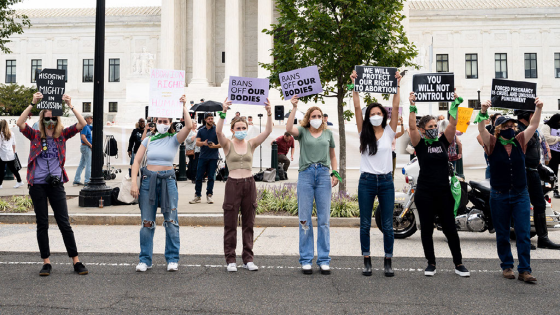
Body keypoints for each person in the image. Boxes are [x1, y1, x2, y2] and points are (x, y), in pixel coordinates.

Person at [16, 92, 89, 276]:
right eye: (47, 120)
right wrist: (33, 103)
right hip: (37, 184)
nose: (50, 123)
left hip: (56, 184)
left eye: (54, 119)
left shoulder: (62, 135)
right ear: (42, 121)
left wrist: (70, 105)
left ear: (58, 121)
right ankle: (46, 262)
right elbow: (19, 123)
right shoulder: (34, 136)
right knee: (42, 223)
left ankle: (76, 261)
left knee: (64, 222)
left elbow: (82, 124)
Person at [477, 99, 542, 283]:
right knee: (503, 233)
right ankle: (507, 266)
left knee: (523, 233)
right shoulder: (491, 143)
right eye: (506, 125)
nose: (511, 127)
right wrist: (482, 111)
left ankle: (525, 270)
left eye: (512, 125)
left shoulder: (520, 140)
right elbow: (481, 129)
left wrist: (538, 108)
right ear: (497, 128)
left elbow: (534, 124)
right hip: (499, 195)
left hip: (520, 193)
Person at [408, 91, 470, 278]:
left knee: (450, 229)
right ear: (423, 129)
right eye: (430, 126)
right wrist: (412, 106)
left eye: (436, 125)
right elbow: (411, 127)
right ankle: (431, 263)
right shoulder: (419, 143)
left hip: (443, 192)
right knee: (426, 229)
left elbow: (452, 123)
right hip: (425, 192)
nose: (434, 128)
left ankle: (458, 264)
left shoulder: (443, 141)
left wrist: (455, 104)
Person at [130, 95, 192, 272]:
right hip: (148, 180)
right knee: (146, 222)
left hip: (168, 180)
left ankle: (172, 258)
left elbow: (188, 126)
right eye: (160, 120)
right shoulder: (148, 140)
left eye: (166, 120)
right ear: (155, 122)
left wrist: (183, 106)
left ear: (170, 123)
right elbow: (136, 161)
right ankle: (145, 259)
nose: (163, 123)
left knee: (171, 221)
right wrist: (134, 183)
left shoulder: (174, 139)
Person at [351, 70, 401, 277]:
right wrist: (354, 84)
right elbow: (355, 106)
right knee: (365, 224)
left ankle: (388, 260)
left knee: (388, 225)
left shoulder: (390, 131)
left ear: (384, 116)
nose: (375, 116)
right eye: (372, 114)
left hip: (386, 182)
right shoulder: (364, 131)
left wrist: (398, 84)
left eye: (379, 113)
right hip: (367, 182)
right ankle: (367, 260)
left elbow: (396, 106)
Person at [216, 97, 272, 272]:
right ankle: (230, 259)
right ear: (232, 130)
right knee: (230, 223)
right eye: (238, 128)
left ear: (247, 129)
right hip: (233, 184)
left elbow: (268, 131)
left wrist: (269, 113)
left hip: (249, 184)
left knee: (249, 223)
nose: (241, 130)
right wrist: (223, 111)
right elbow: (218, 132)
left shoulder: (251, 143)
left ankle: (248, 258)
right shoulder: (227, 144)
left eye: (243, 128)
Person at [287, 94, 339, 275]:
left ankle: (324, 259)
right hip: (306, 175)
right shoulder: (302, 132)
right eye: (313, 116)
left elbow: (332, 155)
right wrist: (294, 107)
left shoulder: (328, 134)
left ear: (323, 118)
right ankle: (306, 259)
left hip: (324, 175)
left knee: (324, 220)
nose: (316, 119)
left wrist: (335, 172)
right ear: (308, 118)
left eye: (319, 116)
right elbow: (288, 128)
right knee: (304, 219)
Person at [515, 110, 560, 250]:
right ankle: (523, 239)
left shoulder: (531, 130)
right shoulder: (517, 130)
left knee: (540, 204)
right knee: (522, 207)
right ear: (529, 116)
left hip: (534, 171)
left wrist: (540, 166)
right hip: (522, 173)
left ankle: (543, 238)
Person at [190, 112, 221, 204]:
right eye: (209, 119)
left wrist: (214, 146)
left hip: (213, 157)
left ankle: (209, 195)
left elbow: (221, 144)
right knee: (199, 176)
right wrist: (203, 143)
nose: (211, 120)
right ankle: (197, 195)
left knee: (211, 177)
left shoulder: (217, 130)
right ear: (205, 120)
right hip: (202, 156)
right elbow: (197, 143)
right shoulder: (201, 130)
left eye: (212, 118)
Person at [0, 119, 24, 188]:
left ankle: (0, 184)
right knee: (13, 169)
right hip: (10, 154)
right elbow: (14, 144)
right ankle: (19, 181)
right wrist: (13, 152)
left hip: (2, 154)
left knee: (1, 170)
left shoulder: (0, 134)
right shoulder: (11, 133)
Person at [542, 113, 560, 198]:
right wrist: (558, 139)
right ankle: (549, 190)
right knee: (551, 173)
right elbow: (546, 138)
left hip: (558, 152)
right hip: (551, 153)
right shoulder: (547, 126)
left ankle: (555, 189)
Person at [72, 114, 93, 186]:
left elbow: (94, 127)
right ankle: (87, 181)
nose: (92, 119)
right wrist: (90, 145)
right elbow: (83, 137)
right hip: (86, 147)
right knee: (88, 164)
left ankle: (76, 180)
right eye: (91, 118)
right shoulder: (84, 127)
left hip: (84, 147)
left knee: (82, 164)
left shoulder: (88, 127)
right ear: (86, 119)